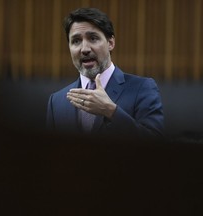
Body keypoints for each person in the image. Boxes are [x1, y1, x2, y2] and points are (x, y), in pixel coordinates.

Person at [46, 7, 164, 138]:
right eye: (76, 41)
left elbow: (155, 145)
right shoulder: (56, 101)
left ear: (110, 43)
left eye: (93, 38)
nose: (84, 49)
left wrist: (111, 111)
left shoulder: (142, 88)